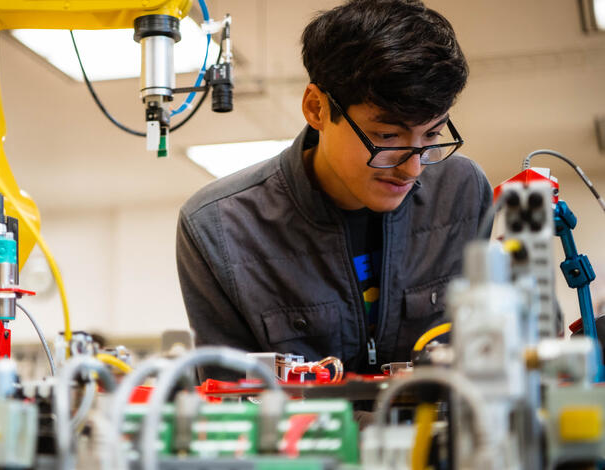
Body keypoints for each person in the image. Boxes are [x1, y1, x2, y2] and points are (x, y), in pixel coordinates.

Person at [176, 0, 492, 380]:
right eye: (387, 136)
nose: (412, 168)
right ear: (316, 108)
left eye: (432, 136)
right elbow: (233, 405)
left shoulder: (462, 194)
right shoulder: (220, 229)